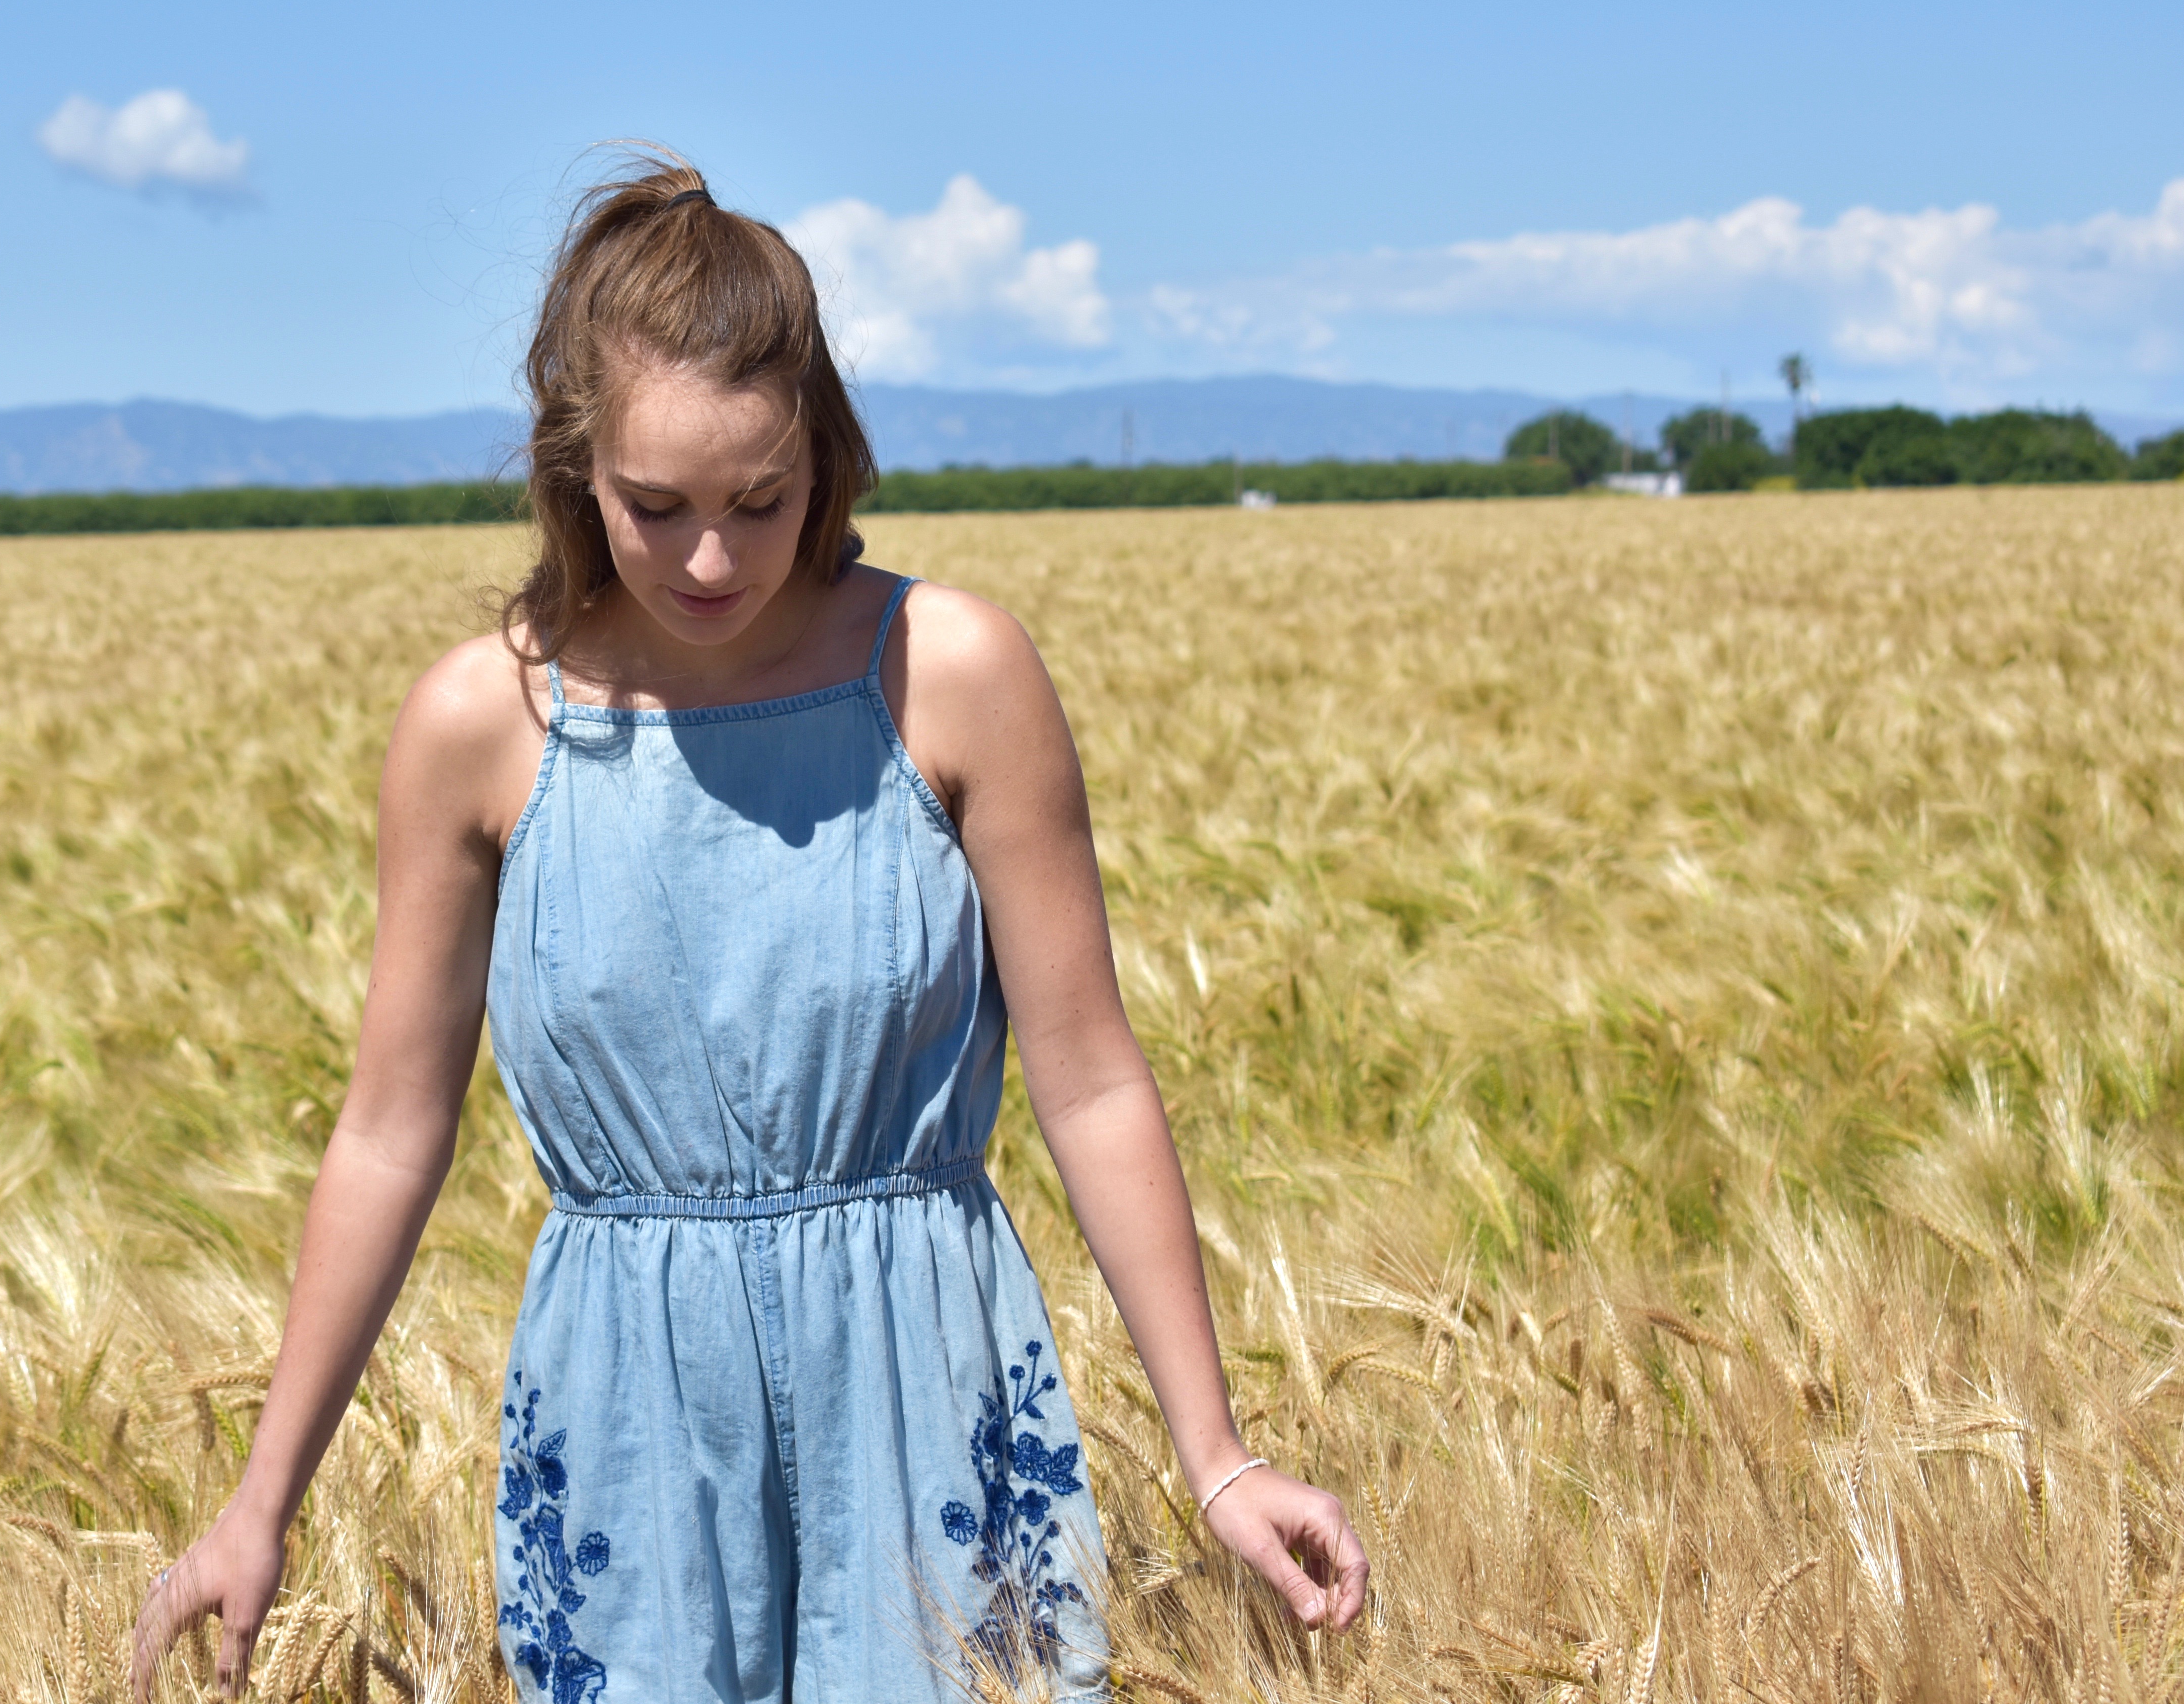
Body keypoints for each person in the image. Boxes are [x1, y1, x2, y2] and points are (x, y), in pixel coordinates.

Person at [133, 156, 1366, 1702]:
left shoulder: (953, 671)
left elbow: (1092, 1077)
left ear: (825, 459)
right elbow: (389, 1131)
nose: (710, 559)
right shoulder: (479, 724)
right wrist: (263, 1504)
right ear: (574, 467)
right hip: (630, 1427)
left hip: (925, 1382)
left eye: (759, 503)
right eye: (657, 508)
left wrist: (1219, 1458)